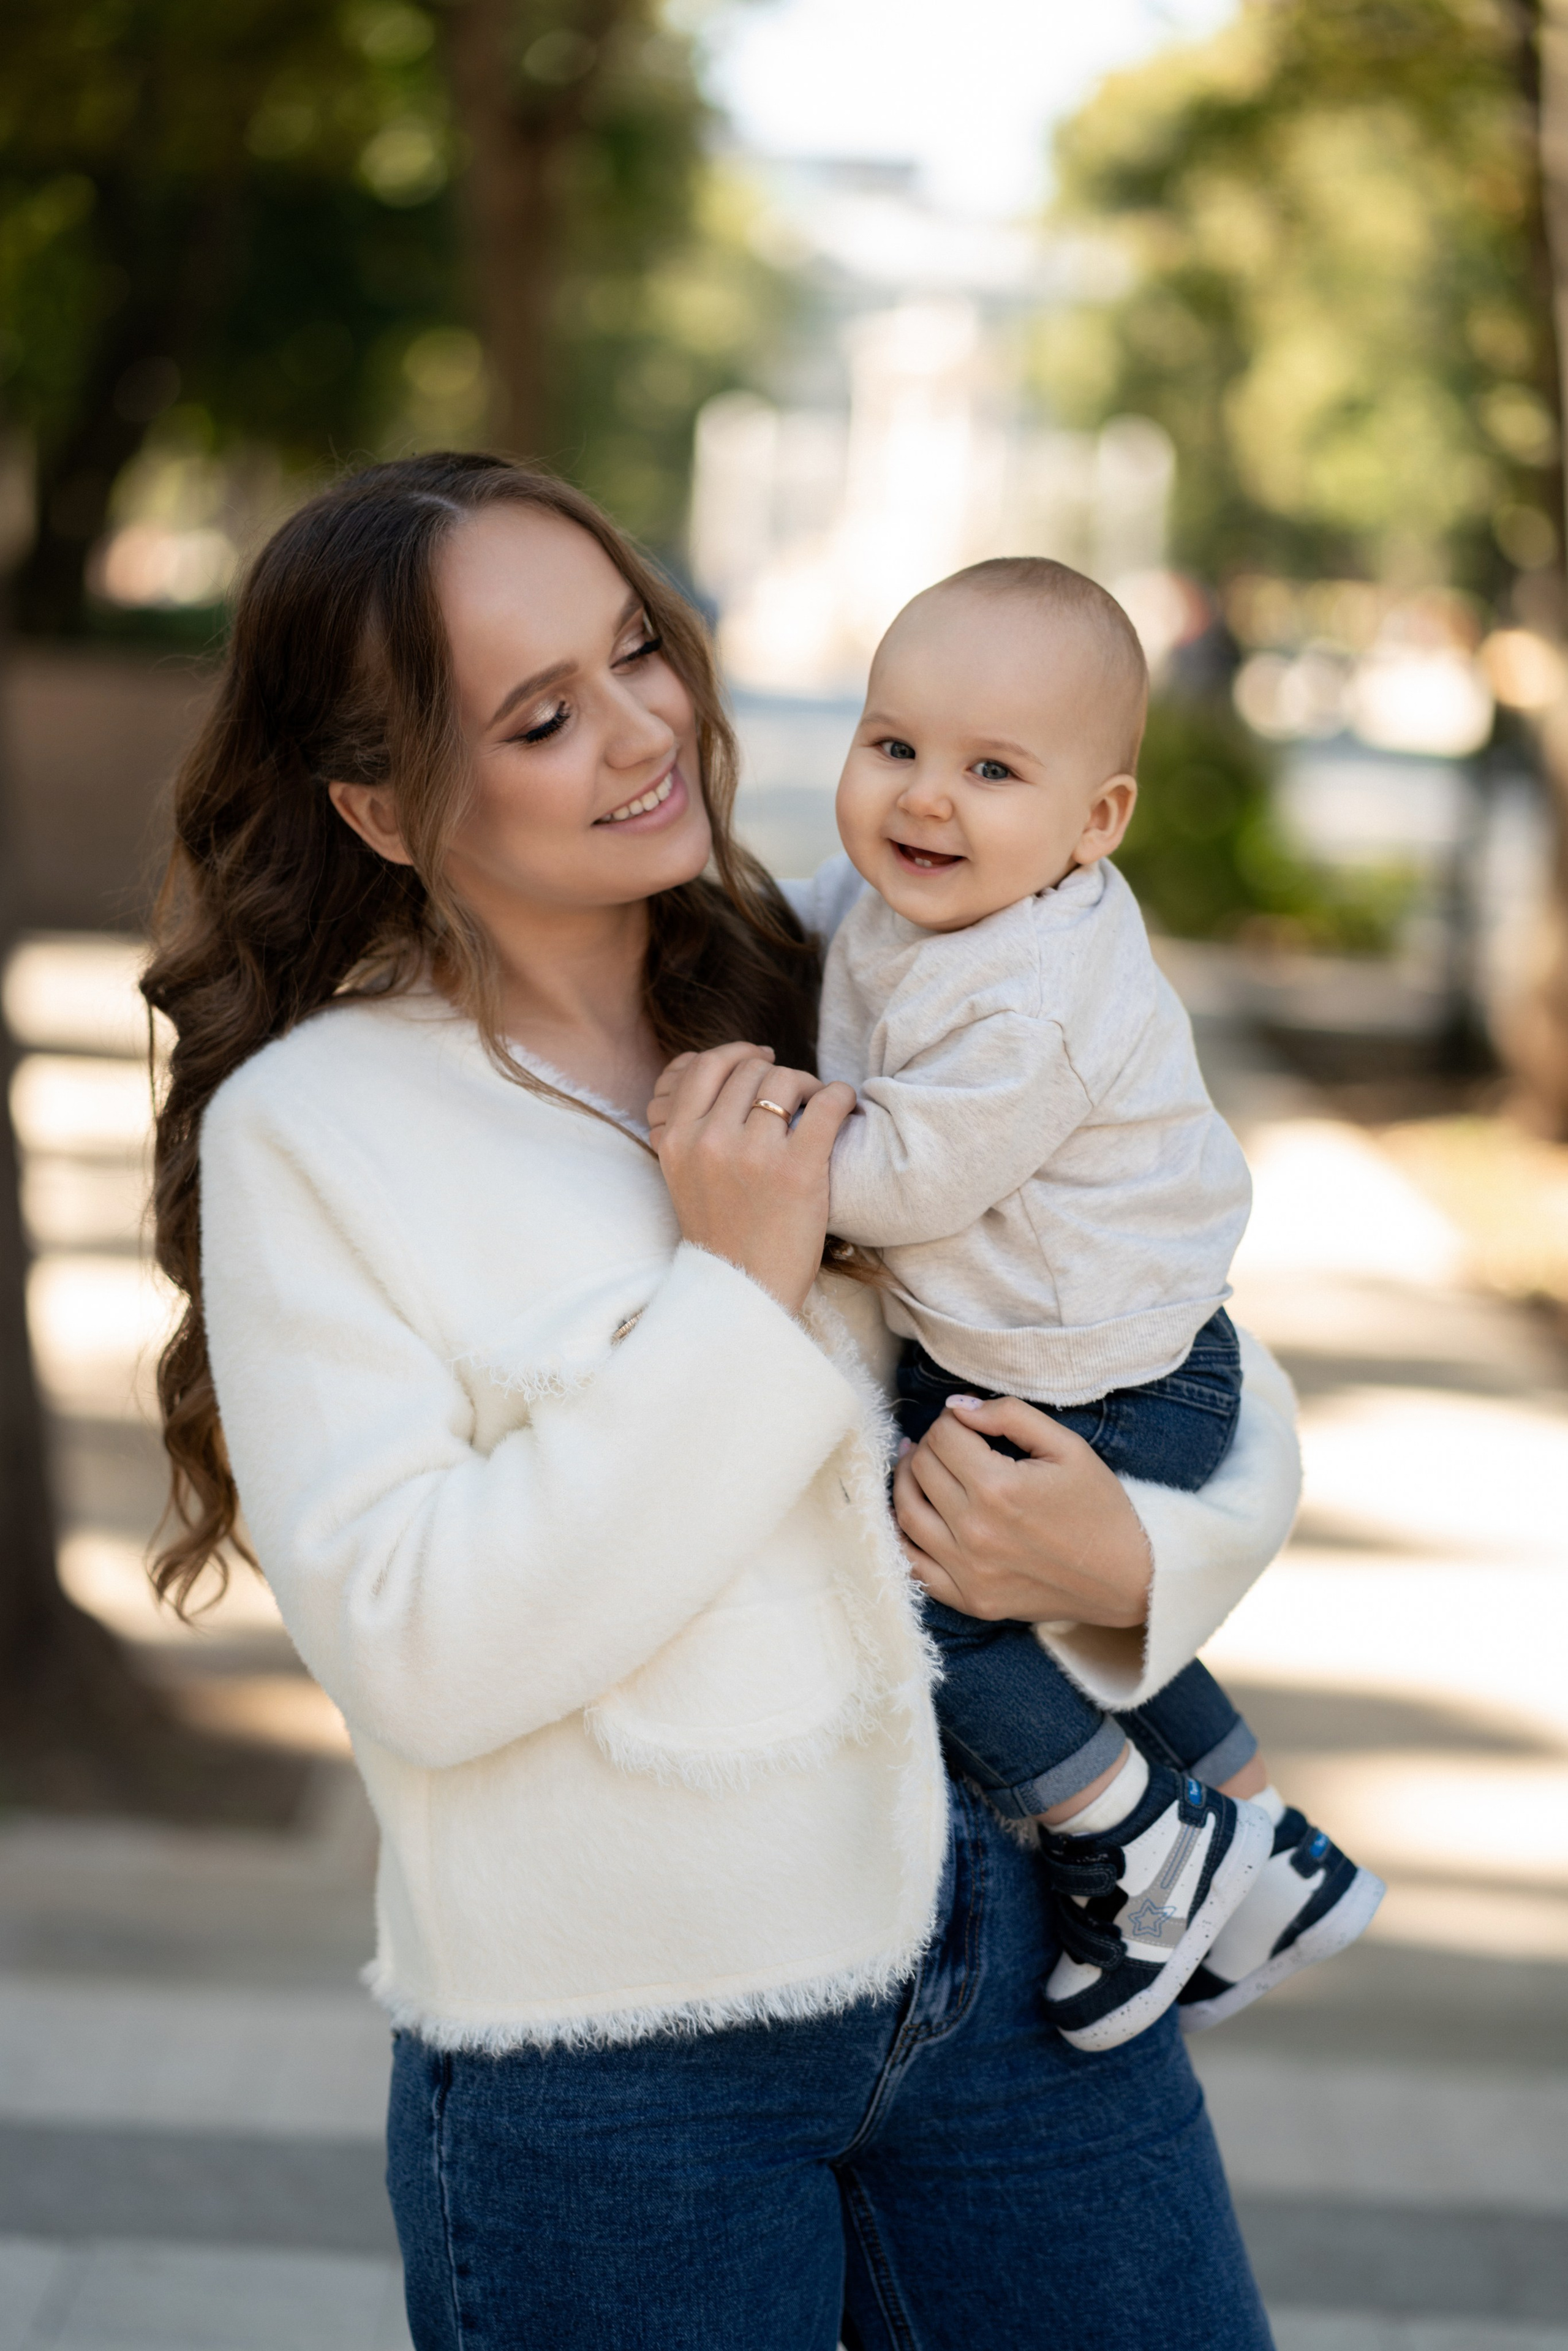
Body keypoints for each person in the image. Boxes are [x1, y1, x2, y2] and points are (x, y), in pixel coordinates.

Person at [143, 453, 1301, 2350]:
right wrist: (736, 1294)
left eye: (635, 650)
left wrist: (1134, 1556)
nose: (640, 729)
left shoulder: (841, 964)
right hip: (619, 2058)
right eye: (540, 716)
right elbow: (418, 1642)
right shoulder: (319, 1131)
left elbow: (1149, 1302)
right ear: (382, 803)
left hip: (1018, 1966)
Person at [750, 557, 1383, 2052]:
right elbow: (800, 921)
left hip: (1101, 1373)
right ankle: (1268, 1847)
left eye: (990, 769)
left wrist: (757, 1144)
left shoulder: (1032, 992)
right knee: (1047, 1594)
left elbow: (906, 1178)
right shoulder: (916, 897)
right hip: (1078, 1343)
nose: (924, 796)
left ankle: (1132, 1836)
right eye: (892, 744)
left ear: (1094, 822)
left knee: (919, 1581)